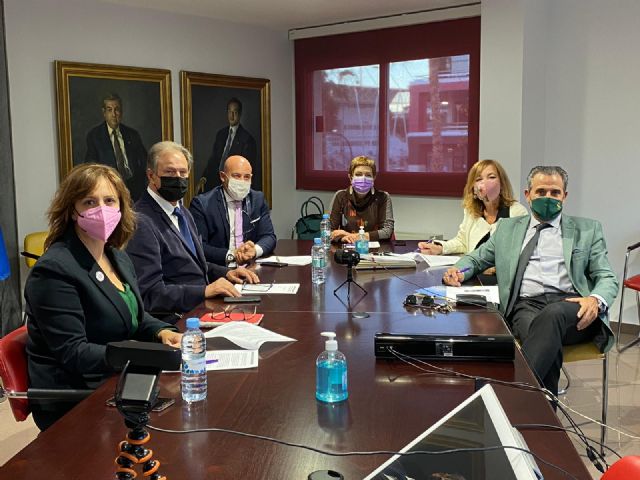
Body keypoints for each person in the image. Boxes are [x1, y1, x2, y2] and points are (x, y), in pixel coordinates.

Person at [25, 163, 181, 431]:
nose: (102, 209)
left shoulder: (116, 256)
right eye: (89, 202)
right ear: (72, 211)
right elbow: (73, 352)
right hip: (75, 395)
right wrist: (141, 354)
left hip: (117, 379)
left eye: (110, 201)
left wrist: (163, 332)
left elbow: (135, 315)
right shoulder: (54, 270)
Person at [442, 166, 618, 397]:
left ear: (565, 196)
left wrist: (595, 299)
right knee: (546, 344)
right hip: (526, 306)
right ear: (528, 195)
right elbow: (476, 259)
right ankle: (537, 413)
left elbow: (606, 276)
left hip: (571, 307)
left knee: (552, 316)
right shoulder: (507, 229)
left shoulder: (587, 230)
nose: (548, 198)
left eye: (555, 193)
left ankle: (505, 396)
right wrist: (459, 270)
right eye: (541, 191)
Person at [126, 141, 259, 316]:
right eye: (170, 172)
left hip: (202, 308)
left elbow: (194, 265)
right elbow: (150, 294)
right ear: (151, 176)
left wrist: (227, 273)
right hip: (177, 318)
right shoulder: (141, 221)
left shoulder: (182, 212)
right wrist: (204, 291)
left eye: (183, 172)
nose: (178, 178)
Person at [419, 159, 527, 257]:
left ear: (502, 183)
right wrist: (440, 248)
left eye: (491, 177)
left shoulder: (517, 212)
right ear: (473, 188)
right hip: (472, 269)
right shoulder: (471, 211)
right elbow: (462, 242)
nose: (485, 183)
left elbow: (519, 252)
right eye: (479, 179)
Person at [190, 155, 276, 266]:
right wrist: (232, 255)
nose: (242, 181)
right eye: (237, 176)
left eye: (247, 177)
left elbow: (269, 237)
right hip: (219, 269)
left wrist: (254, 250)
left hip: (251, 266)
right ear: (223, 176)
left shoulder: (257, 199)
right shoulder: (202, 204)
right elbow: (199, 246)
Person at [85, 93, 148, 201]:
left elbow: (145, 162)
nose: (114, 114)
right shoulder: (94, 136)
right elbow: (91, 168)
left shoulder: (132, 134)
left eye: (117, 109)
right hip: (109, 189)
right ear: (104, 113)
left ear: (121, 112)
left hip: (135, 190)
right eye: (109, 110)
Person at [329, 155, 394, 243]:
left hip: (375, 247)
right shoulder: (340, 196)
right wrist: (342, 238)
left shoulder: (383, 197)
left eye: (368, 175)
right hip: (348, 245)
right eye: (358, 174)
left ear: (374, 178)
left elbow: (387, 232)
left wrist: (350, 235)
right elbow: (328, 231)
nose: (363, 178)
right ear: (350, 177)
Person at [200, 97, 257, 191]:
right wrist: (204, 177)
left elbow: (246, 170)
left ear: (240, 114)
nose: (232, 115)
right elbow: (213, 159)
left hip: (233, 185)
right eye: (230, 112)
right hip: (215, 183)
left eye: (235, 112)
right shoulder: (221, 134)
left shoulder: (248, 140)